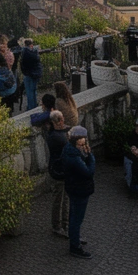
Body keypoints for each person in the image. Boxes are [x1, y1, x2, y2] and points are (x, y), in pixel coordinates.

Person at [61, 125, 96, 258]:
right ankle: (75, 246)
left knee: (73, 215)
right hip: (79, 189)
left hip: (73, 187)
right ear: (77, 140)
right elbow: (88, 172)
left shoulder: (69, 150)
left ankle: (74, 238)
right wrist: (91, 157)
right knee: (77, 218)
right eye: (82, 140)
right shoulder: (73, 156)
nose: (85, 142)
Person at [44, 110, 70, 238]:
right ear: (59, 121)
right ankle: (58, 226)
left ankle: (63, 224)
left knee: (63, 199)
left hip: (58, 171)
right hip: (59, 172)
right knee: (59, 200)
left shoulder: (53, 135)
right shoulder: (57, 138)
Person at [20, 38, 43, 107]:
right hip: (36, 73)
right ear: (31, 45)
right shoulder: (34, 52)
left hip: (29, 74)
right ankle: (35, 105)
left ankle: (31, 107)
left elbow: (23, 64)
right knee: (34, 90)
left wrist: (24, 72)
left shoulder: (25, 52)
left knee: (29, 92)